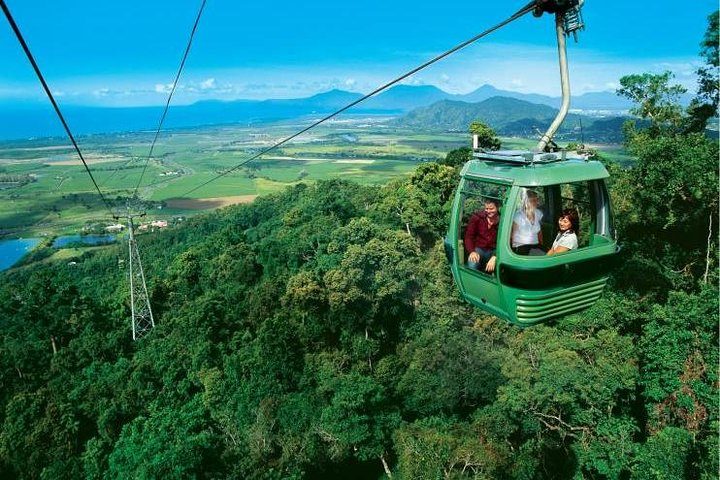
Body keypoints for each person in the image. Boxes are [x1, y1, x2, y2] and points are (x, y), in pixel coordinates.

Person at [464, 198, 500, 273]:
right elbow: (469, 236)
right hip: (479, 249)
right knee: (472, 265)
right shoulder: (477, 218)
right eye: (486, 208)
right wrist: (472, 251)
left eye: (491, 209)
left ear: (498, 207)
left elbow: (505, 241)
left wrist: (495, 256)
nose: (488, 211)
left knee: (500, 269)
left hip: (494, 250)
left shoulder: (502, 221)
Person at [511, 189, 544, 255]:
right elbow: (513, 236)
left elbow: (539, 233)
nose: (536, 202)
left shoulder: (538, 213)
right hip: (521, 246)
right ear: (526, 202)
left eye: (536, 200)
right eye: (533, 201)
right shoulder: (518, 216)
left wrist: (542, 246)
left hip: (535, 246)